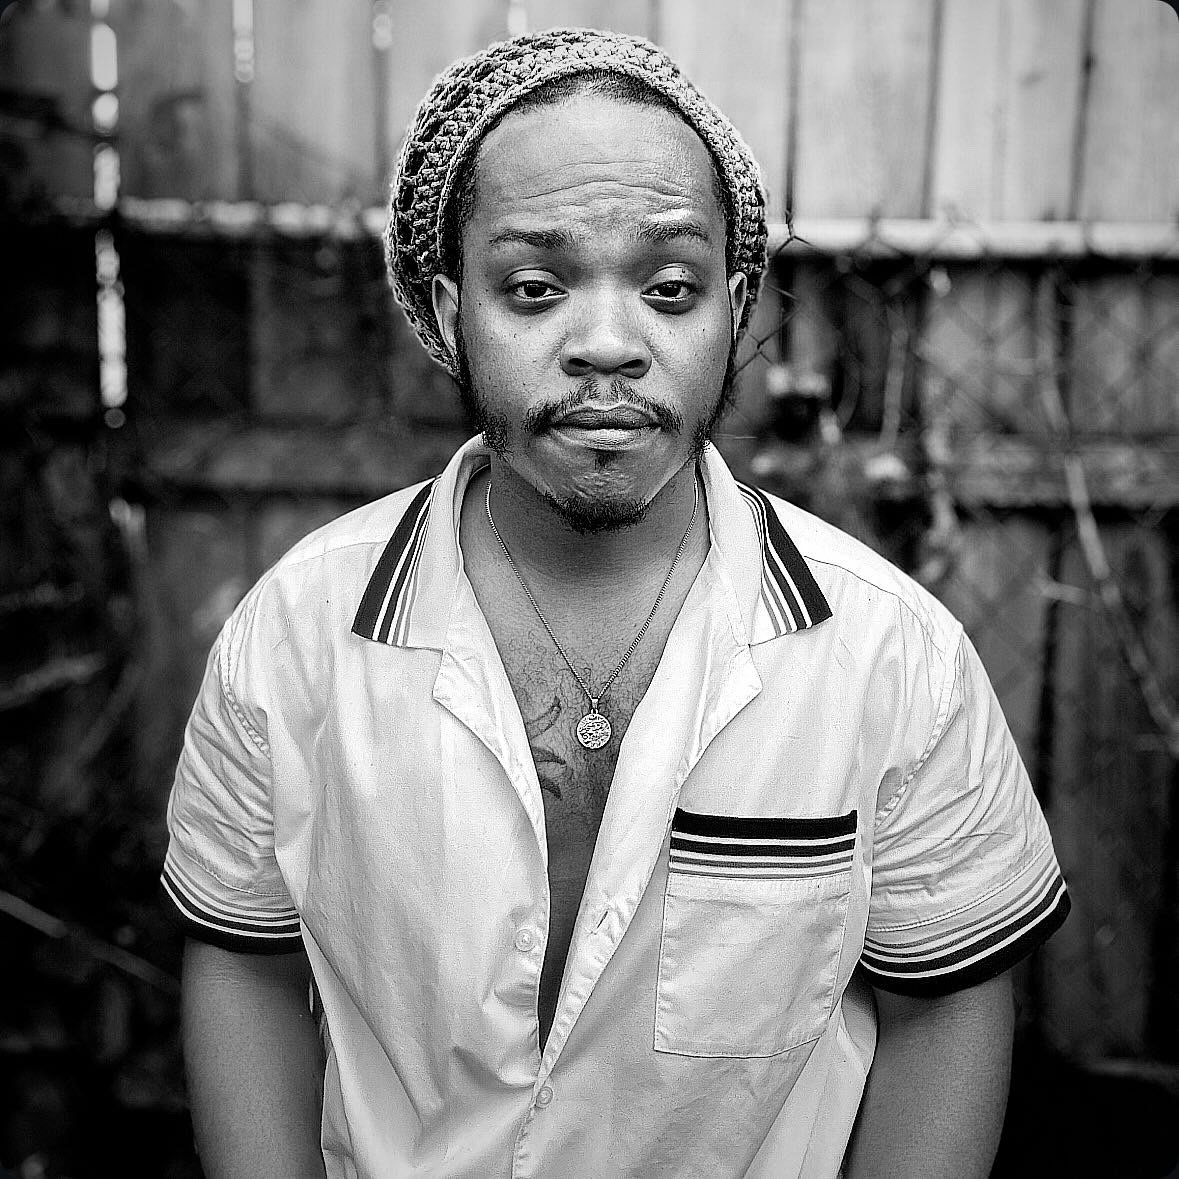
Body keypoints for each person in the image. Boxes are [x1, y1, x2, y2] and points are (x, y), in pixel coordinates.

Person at [162, 27, 1070, 1179]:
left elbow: (946, 1007)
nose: (606, 345)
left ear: (736, 307)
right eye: (534, 289)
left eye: (669, 288)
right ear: (449, 313)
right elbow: (243, 963)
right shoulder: (292, 639)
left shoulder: (896, 659)